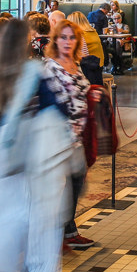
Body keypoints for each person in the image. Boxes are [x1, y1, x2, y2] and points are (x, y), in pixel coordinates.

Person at [0, 18, 74, 272]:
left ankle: (14, 260)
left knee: (16, 208)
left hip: (9, 146)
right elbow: (58, 106)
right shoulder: (35, 69)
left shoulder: (0, 70)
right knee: (43, 215)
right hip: (39, 146)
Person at [43, 20, 93, 252]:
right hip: (58, 137)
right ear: (55, 40)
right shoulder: (50, 67)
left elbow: (82, 91)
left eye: (72, 38)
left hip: (76, 135)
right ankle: (54, 234)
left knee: (76, 181)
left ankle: (67, 231)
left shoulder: (75, 63)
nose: (67, 41)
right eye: (63, 37)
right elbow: (50, 103)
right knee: (59, 186)